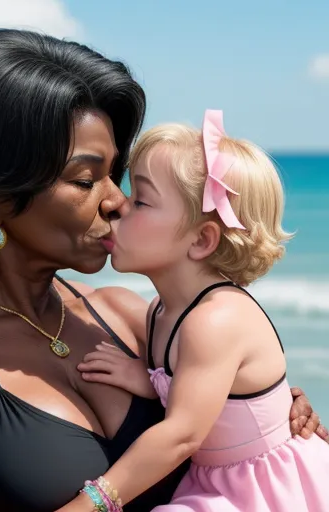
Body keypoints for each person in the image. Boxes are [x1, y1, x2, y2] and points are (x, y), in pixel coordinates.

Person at [0, 29, 327, 512]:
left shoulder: (130, 316)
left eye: (115, 174)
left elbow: (217, 426)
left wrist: (271, 416)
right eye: (85, 179)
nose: (117, 200)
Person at [58, 110, 329, 512]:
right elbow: (199, 389)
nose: (118, 207)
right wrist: (147, 379)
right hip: (215, 480)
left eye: (141, 201)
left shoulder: (215, 318)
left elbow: (182, 435)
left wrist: (92, 503)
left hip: (264, 488)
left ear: (202, 239)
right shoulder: (159, 311)